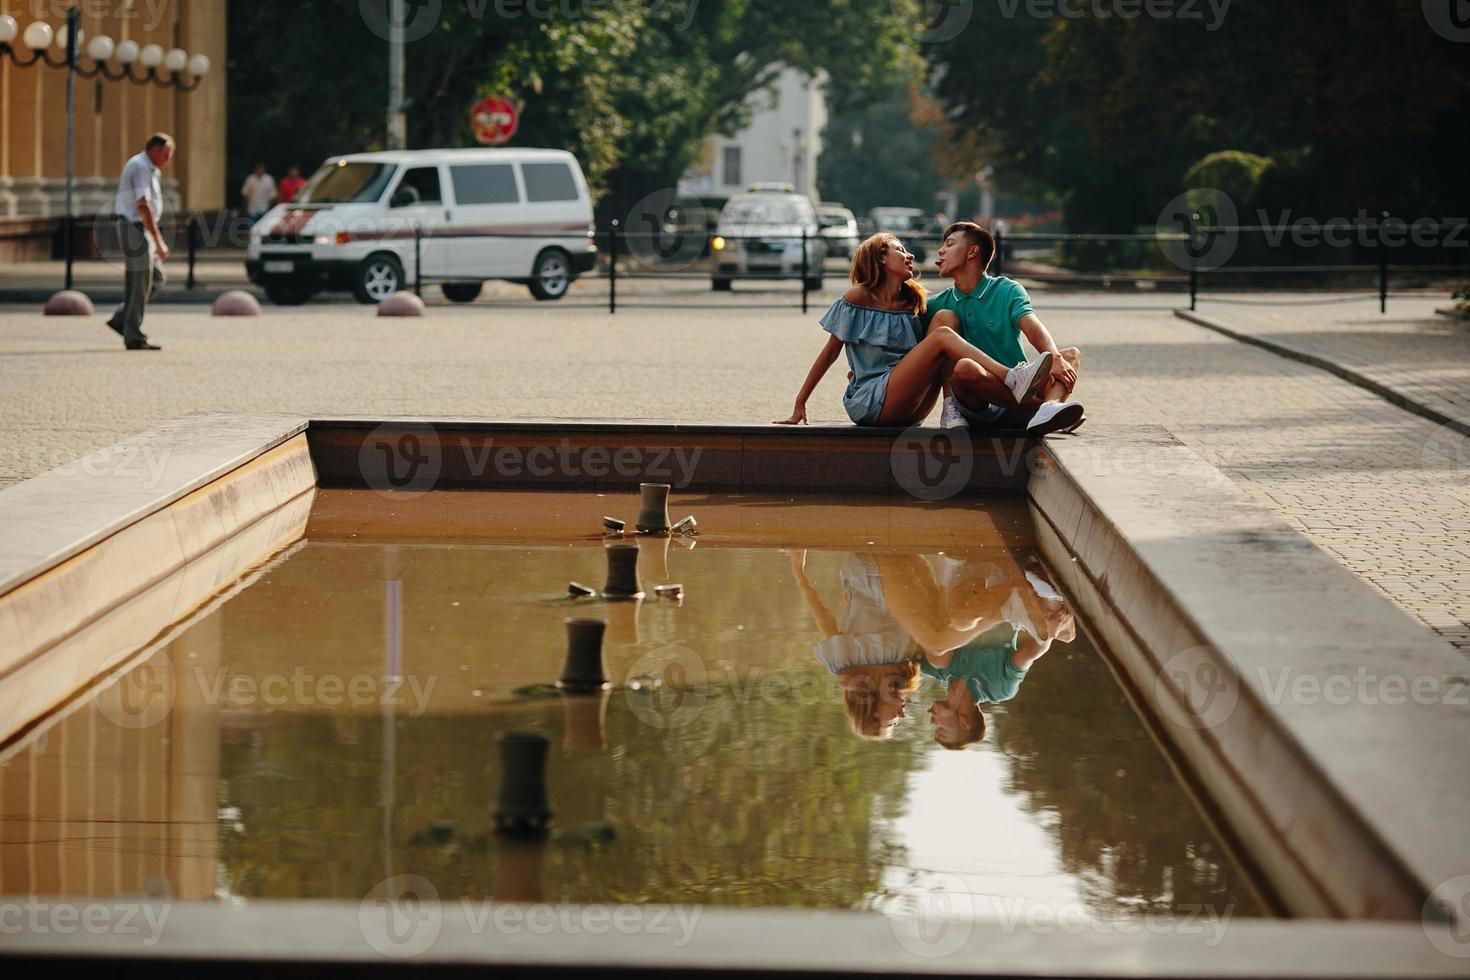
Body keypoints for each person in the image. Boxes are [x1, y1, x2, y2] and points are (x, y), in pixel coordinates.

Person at [775, 233, 1056, 429]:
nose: (910, 255)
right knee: (944, 336)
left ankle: (952, 408)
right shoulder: (857, 298)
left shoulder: (914, 302)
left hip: (913, 405)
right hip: (872, 401)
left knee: (946, 318)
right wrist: (800, 403)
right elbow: (829, 355)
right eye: (900, 250)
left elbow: (931, 354)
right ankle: (1012, 377)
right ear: (881, 258)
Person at [929, 221, 1086, 434]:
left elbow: (1032, 326)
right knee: (965, 367)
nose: (941, 251)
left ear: (972, 252)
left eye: (949, 244)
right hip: (979, 403)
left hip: (1021, 390)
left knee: (1069, 355)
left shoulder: (1007, 289)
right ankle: (1045, 410)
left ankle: (1048, 408)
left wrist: (1054, 358)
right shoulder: (937, 305)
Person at [792, 550, 923, 741]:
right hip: (906, 571)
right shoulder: (906, 670)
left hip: (866, 573)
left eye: (893, 722)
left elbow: (825, 620)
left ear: (873, 711)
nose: (902, 716)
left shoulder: (846, 666)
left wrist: (799, 573)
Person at [104, 133, 173, 352]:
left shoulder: (152, 169)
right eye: (166, 154)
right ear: (154, 149)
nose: (168, 159)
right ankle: (133, 336)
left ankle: (122, 319)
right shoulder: (140, 167)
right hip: (134, 229)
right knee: (138, 285)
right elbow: (143, 205)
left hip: (139, 229)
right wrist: (159, 241)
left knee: (157, 278)